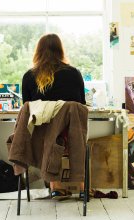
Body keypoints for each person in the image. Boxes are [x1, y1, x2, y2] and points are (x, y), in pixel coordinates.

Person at [21, 33, 86, 200]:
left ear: (38, 52)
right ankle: (81, 186)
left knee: (46, 134)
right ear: (60, 51)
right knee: (67, 130)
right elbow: (81, 105)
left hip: (40, 138)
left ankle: (55, 186)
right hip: (69, 137)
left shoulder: (29, 76)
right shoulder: (74, 74)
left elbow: (26, 108)